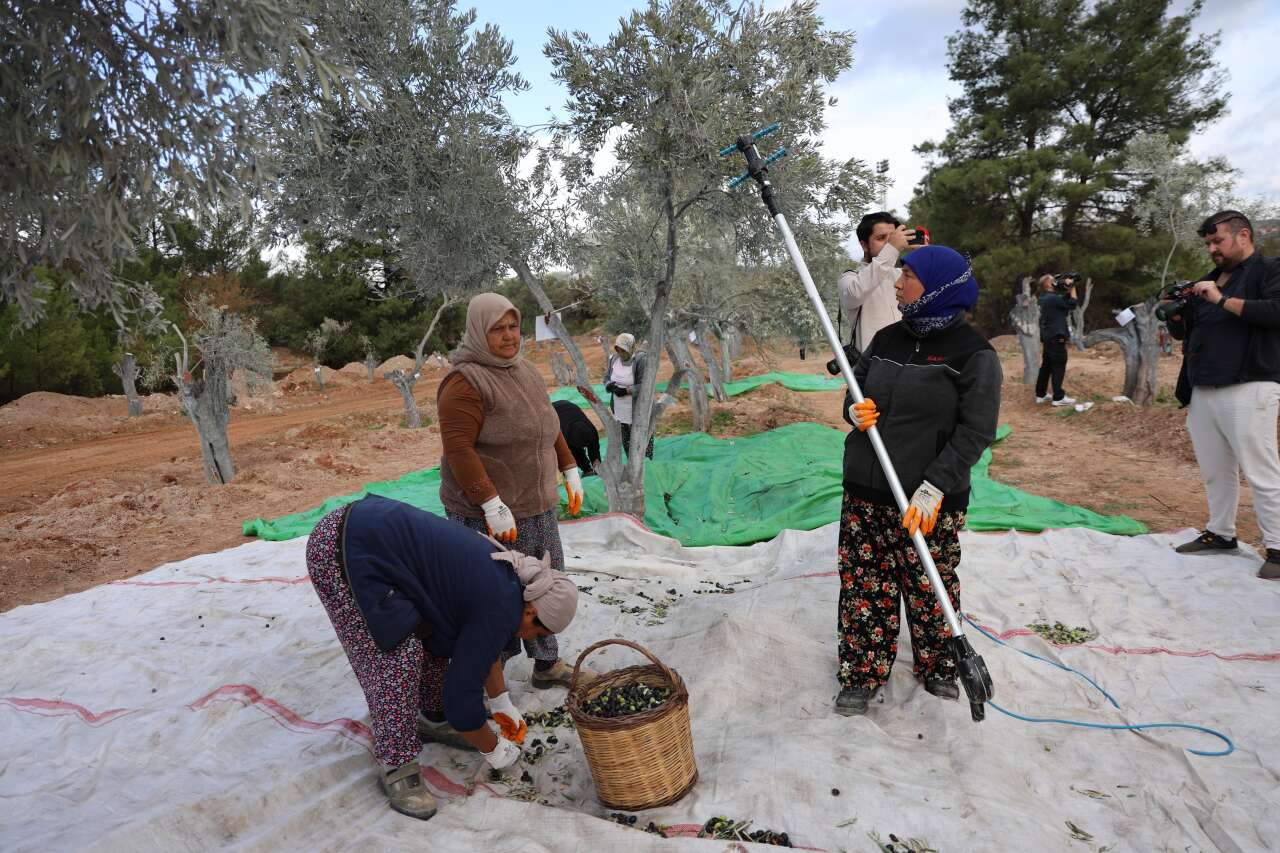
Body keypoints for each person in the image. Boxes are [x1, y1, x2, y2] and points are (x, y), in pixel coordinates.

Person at [305, 494, 580, 820]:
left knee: (435, 639)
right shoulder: (500, 605)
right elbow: (463, 704)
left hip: (375, 541)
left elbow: (481, 647)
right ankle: (397, 763)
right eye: (538, 632)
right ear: (532, 611)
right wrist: (494, 750)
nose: (535, 639)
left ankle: (432, 718)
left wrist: (502, 703)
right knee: (396, 657)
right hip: (343, 549)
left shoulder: (509, 585)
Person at [834, 245, 1003, 716]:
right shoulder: (887, 338)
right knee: (865, 585)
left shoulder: (974, 354)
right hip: (868, 488)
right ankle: (862, 673)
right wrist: (853, 408)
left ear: (940, 288)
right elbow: (855, 389)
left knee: (931, 584)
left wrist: (935, 487)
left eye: (907, 275)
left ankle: (940, 667)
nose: (897, 282)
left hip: (926, 500)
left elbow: (976, 430)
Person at [437, 293, 588, 687]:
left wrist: (569, 466)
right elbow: (458, 448)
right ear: (477, 332)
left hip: (535, 503)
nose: (509, 336)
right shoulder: (464, 382)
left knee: (545, 583)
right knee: (496, 592)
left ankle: (547, 664)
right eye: (497, 329)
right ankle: (491, 678)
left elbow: (548, 422)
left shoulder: (525, 371)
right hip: (489, 514)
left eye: (512, 327)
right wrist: (489, 502)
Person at [1165, 210, 1280, 580]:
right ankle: (1221, 533)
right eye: (1208, 244)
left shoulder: (1268, 270)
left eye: (1218, 241)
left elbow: (1275, 312)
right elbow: (1191, 334)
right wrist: (1177, 317)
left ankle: (1277, 546)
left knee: (1260, 469)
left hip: (1250, 383)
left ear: (1243, 235)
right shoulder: (1210, 280)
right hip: (1204, 385)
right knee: (1215, 469)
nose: (1212, 249)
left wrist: (1218, 299)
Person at [837, 212, 917, 355]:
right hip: (869, 371)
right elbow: (855, 294)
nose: (889, 244)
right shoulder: (849, 278)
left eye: (892, 238)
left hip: (905, 367)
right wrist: (892, 249)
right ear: (864, 245)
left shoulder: (901, 275)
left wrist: (924, 256)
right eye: (881, 238)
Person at [603, 332, 654, 459]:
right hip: (620, 410)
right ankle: (632, 469)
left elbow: (646, 384)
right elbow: (606, 378)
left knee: (642, 444)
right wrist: (609, 386)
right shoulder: (613, 359)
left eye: (623, 350)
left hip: (638, 409)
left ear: (630, 348)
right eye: (618, 350)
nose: (620, 353)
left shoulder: (641, 360)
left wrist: (627, 391)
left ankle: (646, 469)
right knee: (627, 444)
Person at [1035, 273, 1078, 406]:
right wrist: (1072, 288)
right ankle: (1058, 397)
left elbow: (1062, 301)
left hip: (1048, 336)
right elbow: (1072, 303)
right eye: (1053, 280)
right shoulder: (1052, 299)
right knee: (1059, 365)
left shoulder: (1045, 298)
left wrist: (1067, 288)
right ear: (1048, 284)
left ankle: (1041, 394)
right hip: (1056, 336)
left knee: (1046, 366)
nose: (1056, 282)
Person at [553, 398, 602, 476]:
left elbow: (595, 450)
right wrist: (585, 469)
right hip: (553, 411)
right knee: (575, 452)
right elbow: (566, 455)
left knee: (592, 451)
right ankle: (586, 469)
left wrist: (597, 465)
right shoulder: (565, 437)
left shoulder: (592, 432)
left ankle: (588, 469)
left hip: (570, 407)